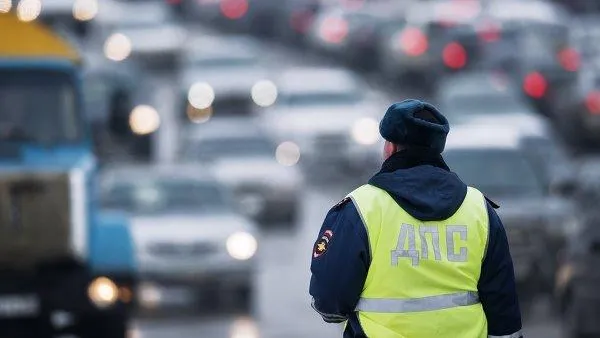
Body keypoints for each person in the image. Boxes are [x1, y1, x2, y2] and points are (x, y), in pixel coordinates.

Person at [309, 99, 522, 338]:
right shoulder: (478, 209)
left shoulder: (361, 209)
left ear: (390, 148)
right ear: (437, 148)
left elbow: (329, 301)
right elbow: (505, 317)